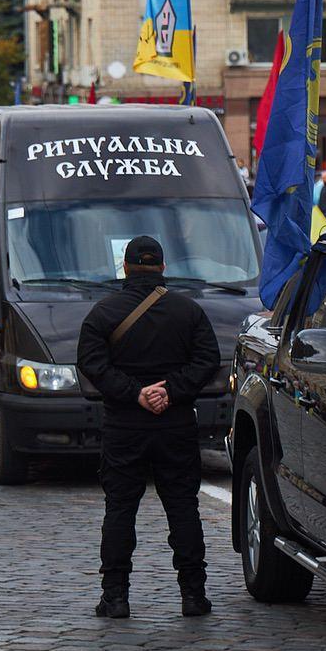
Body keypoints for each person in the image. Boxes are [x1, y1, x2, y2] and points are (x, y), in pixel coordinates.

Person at [76, 235, 220, 620]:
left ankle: (116, 596)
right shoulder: (188, 312)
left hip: (124, 424)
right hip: (174, 425)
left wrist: (135, 393)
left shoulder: (103, 314)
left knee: (120, 510)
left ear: (124, 267)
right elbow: (208, 360)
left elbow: (91, 363)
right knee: (183, 509)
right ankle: (193, 595)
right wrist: (170, 392)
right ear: (163, 268)